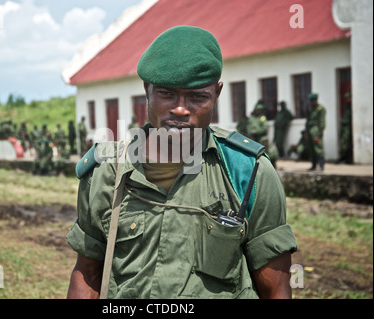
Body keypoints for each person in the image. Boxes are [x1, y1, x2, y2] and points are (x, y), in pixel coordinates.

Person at [66, 26, 297, 299]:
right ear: (147, 90)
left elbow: (275, 288)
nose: (180, 109)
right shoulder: (106, 171)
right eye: (166, 93)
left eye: (197, 96)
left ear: (217, 93)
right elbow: (89, 274)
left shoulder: (248, 172)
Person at [305, 93, 326, 171]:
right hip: (310, 130)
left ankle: (321, 166)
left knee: (318, 148)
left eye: (313, 100)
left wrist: (319, 134)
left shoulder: (320, 109)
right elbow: (308, 121)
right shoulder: (310, 108)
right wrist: (306, 132)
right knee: (312, 149)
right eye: (311, 100)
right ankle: (313, 165)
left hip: (316, 130)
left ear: (316, 100)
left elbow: (322, 122)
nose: (312, 102)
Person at [337, 92, 352, 164]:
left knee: (346, 143)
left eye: (349, 98)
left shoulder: (352, 105)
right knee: (342, 142)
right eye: (347, 98)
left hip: (348, 126)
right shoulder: (346, 105)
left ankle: (345, 158)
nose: (348, 100)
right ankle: (342, 157)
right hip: (344, 126)